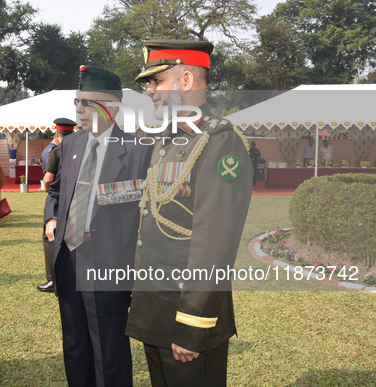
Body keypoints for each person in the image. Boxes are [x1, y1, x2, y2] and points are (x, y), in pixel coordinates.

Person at [125, 40, 253, 387]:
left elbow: (215, 243)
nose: (150, 92)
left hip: (187, 314)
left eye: (156, 82)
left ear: (184, 82)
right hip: (157, 308)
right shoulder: (169, 141)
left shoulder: (220, 143)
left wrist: (192, 324)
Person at [44, 65, 152, 386]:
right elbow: (56, 190)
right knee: (75, 344)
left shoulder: (138, 150)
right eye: (78, 102)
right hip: (68, 256)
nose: (80, 109)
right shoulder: (70, 145)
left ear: (113, 107)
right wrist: (52, 216)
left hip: (108, 262)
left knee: (109, 348)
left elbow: (144, 214)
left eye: (88, 102)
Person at [37, 117, 75, 292]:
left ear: (57, 134)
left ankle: (53, 279)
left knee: (50, 237)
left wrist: (47, 189)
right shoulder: (81, 149)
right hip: (78, 201)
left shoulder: (56, 152)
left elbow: (49, 179)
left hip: (59, 201)